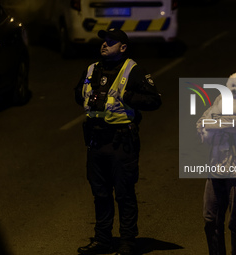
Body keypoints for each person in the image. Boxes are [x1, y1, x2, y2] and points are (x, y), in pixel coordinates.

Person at [75, 28, 162, 255]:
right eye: (104, 41)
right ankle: (102, 239)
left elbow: (154, 100)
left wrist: (129, 98)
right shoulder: (92, 69)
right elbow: (78, 94)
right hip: (96, 141)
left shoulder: (133, 70)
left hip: (121, 143)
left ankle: (127, 241)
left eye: (111, 42)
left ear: (123, 47)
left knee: (124, 193)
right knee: (100, 193)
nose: (104, 45)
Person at [197, 57, 236, 255]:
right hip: (216, 165)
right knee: (210, 220)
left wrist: (215, 121)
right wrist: (216, 122)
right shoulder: (223, 97)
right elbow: (201, 122)